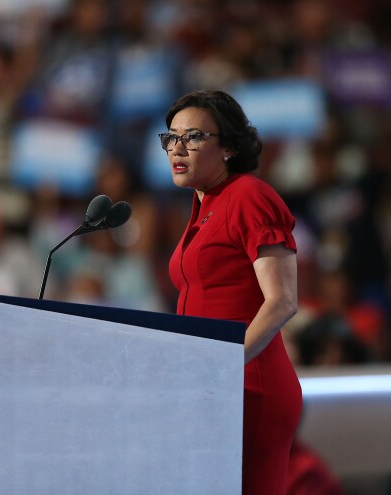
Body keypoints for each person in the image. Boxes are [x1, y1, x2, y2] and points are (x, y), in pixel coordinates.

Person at [162, 90, 302, 494]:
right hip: (210, 382)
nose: (178, 147)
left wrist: (224, 363)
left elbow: (283, 300)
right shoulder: (204, 205)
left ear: (229, 147)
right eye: (171, 137)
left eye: (194, 137)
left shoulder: (248, 196)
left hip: (247, 382)